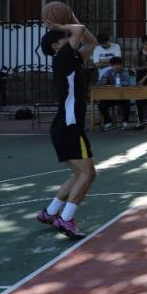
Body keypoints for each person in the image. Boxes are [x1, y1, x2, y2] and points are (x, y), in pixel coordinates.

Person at [37, 17, 98, 240]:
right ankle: (66, 218)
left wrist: (71, 19)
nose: (70, 38)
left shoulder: (72, 58)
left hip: (65, 126)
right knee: (88, 173)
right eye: (64, 38)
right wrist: (61, 26)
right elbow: (79, 30)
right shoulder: (62, 57)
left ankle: (50, 212)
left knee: (79, 173)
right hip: (69, 127)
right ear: (56, 45)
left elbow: (91, 42)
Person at [97, 57, 135, 130]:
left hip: (122, 96)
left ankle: (125, 123)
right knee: (101, 104)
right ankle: (108, 122)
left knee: (127, 103)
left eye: (119, 65)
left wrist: (116, 84)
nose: (117, 67)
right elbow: (99, 83)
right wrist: (103, 82)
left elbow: (127, 82)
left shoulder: (125, 71)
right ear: (111, 66)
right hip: (110, 97)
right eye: (115, 65)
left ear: (121, 65)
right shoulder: (108, 72)